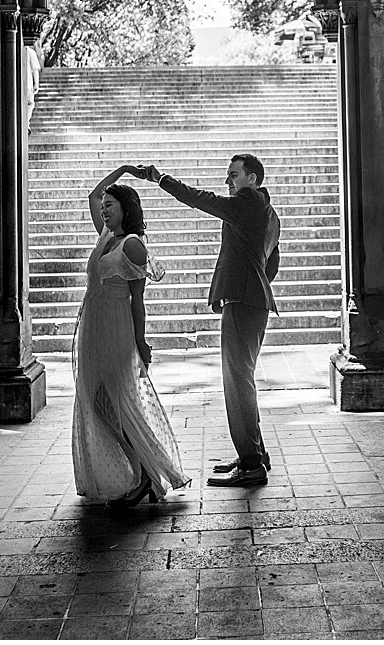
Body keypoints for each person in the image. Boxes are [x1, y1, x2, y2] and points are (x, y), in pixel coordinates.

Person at [138, 154, 280, 488]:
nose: (228, 181)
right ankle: (255, 454)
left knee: (236, 381)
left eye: (233, 175)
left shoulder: (246, 202)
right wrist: (246, 283)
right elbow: (272, 262)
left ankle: (250, 465)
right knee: (242, 379)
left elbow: (204, 200)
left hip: (244, 302)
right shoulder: (268, 212)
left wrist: (162, 179)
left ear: (253, 179)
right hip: (253, 301)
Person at [71, 166, 189, 509]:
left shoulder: (133, 245)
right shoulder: (106, 236)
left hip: (116, 327)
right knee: (98, 403)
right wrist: (123, 169)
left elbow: (138, 301)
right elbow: (93, 195)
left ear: (126, 208)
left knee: (116, 404)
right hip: (95, 326)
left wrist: (141, 341)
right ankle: (142, 472)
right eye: (105, 206)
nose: (104, 209)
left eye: (111, 205)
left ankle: (146, 475)